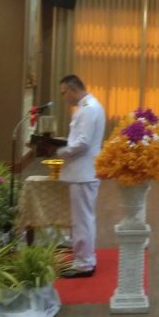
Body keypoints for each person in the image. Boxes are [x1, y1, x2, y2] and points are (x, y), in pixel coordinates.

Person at [55, 74, 106, 277]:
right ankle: (81, 256)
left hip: (83, 172)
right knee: (82, 218)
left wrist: (60, 150)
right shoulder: (89, 106)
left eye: (63, 93)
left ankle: (84, 263)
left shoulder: (88, 109)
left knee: (82, 219)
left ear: (73, 90)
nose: (63, 97)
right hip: (83, 171)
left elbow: (83, 143)